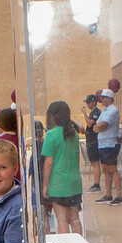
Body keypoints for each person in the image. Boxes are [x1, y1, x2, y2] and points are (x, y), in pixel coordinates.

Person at [41, 101, 84, 235]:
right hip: (75, 182)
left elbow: (48, 162)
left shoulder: (51, 135)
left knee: (62, 220)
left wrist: (45, 185)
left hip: (58, 183)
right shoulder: (74, 134)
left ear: (53, 117)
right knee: (75, 219)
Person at [92, 88, 122, 204]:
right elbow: (96, 126)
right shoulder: (104, 111)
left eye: (103, 98)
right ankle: (108, 194)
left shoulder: (113, 110)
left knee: (112, 169)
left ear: (109, 98)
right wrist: (98, 127)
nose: (101, 100)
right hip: (102, 144)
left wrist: (99, 127)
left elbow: (103, 125)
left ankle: (119, 196)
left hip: (110, 144)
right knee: (105, 169)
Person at [83, 94, 103, 190]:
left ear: (93, 102)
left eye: (88, 102)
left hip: (94, 141)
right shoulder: (92, 113)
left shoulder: (96, 112)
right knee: (93, 163)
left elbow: (90, 123)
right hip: (90, 140)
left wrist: (84, 114)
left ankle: (96, 184)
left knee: (95, 163)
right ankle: (96, 183)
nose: (87, 104)